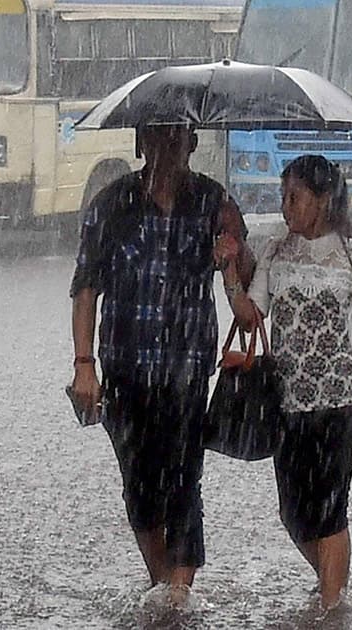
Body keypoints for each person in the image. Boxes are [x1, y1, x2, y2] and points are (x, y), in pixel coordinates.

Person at [220, 154, 352, 609]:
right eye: (282, 197)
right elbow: (251, 317)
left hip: (342, 404)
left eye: (295, 197)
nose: (286, 207)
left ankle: (332, 607)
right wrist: (230, 271)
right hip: (287, 405)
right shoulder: (275, 248)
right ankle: (333, 583)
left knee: (330, 510)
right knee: (293, 514)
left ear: (324, 200)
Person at [68, 123, 255, 606]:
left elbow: (247, 282)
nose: (167, 148)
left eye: (177, 138)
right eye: (157, 138)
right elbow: (86, 287)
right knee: (140, 487)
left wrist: (232, 256)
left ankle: (177, 593)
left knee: (184, 482)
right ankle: (164, 586)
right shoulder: (111, 205)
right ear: (141, 144)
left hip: (188, 370)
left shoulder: (214, 201)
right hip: (125, 369)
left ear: (192, 144)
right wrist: (83, 365)